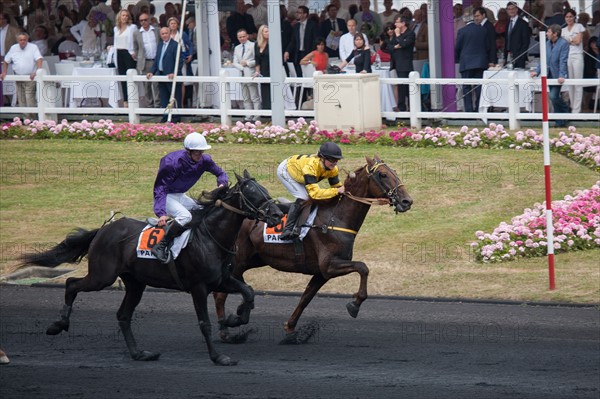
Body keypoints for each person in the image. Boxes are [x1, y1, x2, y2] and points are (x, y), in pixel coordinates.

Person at [151, 132, 229, 263]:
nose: (199, 154)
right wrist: (161, 213)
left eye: (201, 151)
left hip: (180, 195)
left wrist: (222, 183)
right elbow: (160, 188)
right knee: (186, 216)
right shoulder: (171, 163)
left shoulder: (205, 160)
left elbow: (220, 173)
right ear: (188, 151)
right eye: (196, 152)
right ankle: (161, 246)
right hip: (166, 197)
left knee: (204, 210)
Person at [277, 142, 345, 240]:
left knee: (307, 198)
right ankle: (287, 229)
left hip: (300, 173)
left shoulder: (333, 169)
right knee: (304, 197)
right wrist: (337, 191)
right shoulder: (311, 167)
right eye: (332, 159)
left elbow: (337, 186)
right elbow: (315, 194)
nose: (334, 163)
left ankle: (294, 211)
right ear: (322, 157)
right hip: (286, 171)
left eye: (337, 160)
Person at [530, 24, 569, 127]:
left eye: (549, 32)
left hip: (557, 74)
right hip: (549, 73)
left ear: (555, 34)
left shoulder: (563, 43)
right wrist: (537, 71)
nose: (547, 33)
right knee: (554, 97)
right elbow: (543, 59)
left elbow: (563, 60)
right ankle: (560, 120)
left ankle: (564, 112)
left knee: (553, 96)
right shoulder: (547, 43)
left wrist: (561, 75)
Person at [0, 32, 43, 120]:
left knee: (29, 98)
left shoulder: (33, 47)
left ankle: (33, 119)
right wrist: (4, 72)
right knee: (21, 98)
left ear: (27, 40)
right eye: (21, 40)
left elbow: (39, 59)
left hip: (30, 77)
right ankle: (26, 119)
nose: (23, 41)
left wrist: (37, 71)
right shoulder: (13, 48)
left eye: (24, 40)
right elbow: (6, 61)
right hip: (18, 77)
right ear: (17, 40)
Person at [146, 27, 183, 122]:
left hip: (171, 75)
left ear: (170, 33)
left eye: (166, 33)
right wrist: (151, 71)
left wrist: (174, 73)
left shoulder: (175, 45)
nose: (164, 35)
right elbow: (157, 60)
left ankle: (175, 117)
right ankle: (166, 116)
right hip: (161, 74)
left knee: (174, 96)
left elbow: (179, 61)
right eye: (162, 34)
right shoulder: (160, 45)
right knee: (163, 97)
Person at [455, 14, 489, 113]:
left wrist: (459, 58)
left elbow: (457, 47)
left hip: (466, 62)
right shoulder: (483, 30)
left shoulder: (462, 31)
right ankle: (478, 108)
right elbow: (487, 46)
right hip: (480, 62)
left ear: (465, 21)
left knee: (466, 87)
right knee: (479, 87)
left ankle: (469, 111)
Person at [387, 16, 415, 112]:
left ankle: (410, 109)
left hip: (405, 64)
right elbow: (389, 47)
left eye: (397, 22)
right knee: (400, 87)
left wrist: (398, 36)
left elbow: (404, 45)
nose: (395, 24)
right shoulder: (395, 34)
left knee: (406, 88)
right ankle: (401, 107)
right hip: (396, 64)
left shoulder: (410, 34)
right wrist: (396, 46)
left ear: (403, 23)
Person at [233, 28, 260, 122]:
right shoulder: (237, 48)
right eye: (240, 37)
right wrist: (241, 67)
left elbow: (257, 60)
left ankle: (256, 117)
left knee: (254, 96)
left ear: (247, 36)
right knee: (245, 97)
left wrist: (247, 63)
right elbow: (235, 62)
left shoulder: (253, 45)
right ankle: (248, 117)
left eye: (243, 36)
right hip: (241, 74)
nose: (242, 38)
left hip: (251, 74)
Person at [562, 8, 585, 114]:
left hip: (577, 55)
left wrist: (569, 40)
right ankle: (572, 107)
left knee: (578, 82)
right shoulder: (563, 30)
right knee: (570, 82)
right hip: (568, 56)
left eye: (571, 16)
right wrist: (572, 40)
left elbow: (578, 41)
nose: (569, 18)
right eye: (567, 17)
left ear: (574, 17)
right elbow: (565, 44)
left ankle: (577, 110)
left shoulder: (579, 26)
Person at [113, 9, 138, 106]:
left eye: (126, 15)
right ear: (119, 16)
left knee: (130, 76)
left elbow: (134, 41)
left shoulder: (132, 27)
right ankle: (125, 101)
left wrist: (133, 52)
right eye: (123, 15)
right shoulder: (116, 28)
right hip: (119, 53)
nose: (125, 17)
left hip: (128, 53)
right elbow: (116, 42)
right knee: (122, 77)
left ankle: (132, 100)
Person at [138, 12, 160, 108]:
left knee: (157, 84)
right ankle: (149, 105)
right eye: (141, 20)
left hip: (156, 61)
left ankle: (158, 104)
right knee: (147, 85)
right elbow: (135, 47)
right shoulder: (137, 33)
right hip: (145, 62)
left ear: (149, 20)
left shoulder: (156, 31)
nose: (144, 22)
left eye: (145, 19)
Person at [504, 2, 531, 69]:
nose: (511, 11)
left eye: (513, 9)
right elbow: (507, 40)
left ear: (517, 9)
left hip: (519, 57)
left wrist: (521, 56)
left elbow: (526, 42)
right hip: (508, 57)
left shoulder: (523, 23)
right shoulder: (507, 23)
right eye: (509, 9)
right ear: (507, 11)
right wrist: (505, 56)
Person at [253, 24, 270, 110]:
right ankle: (267, 113)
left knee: (272, 93)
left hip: (271, 70)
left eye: (269, 31)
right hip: (263, 71)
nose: (268, 33)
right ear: (261, 33)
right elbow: (257, 60)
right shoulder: (256, 44)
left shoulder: (272, 44)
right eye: (266, 31)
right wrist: (257, 71)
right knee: (264, 93)